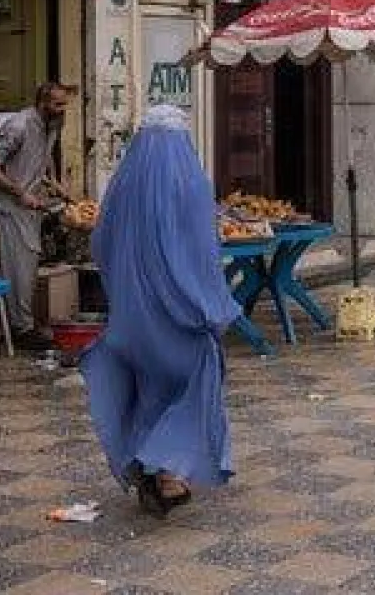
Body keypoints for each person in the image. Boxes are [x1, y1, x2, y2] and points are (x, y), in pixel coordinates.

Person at [80, 105, 242, 517]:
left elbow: (101, 245)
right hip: (178, 317)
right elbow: (202, 258)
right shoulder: (191, 187)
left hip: (131, 323)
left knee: (151, 389)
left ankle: (149, 469)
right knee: (196, 379)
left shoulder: (122, 186)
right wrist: (211, 307)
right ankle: (167, 471)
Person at [0, 82, 72, 351]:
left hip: (31, 204)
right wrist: (19, 191)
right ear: (43, 102)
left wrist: (54, 182)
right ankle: (21, 328)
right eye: (57, 104)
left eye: (64, 104)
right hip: (9, 205)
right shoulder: (18, 126)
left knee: (30, 261)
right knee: (19, 265)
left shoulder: (53, 123)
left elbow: (45, 154)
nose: (62, 109)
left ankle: (23, 323)